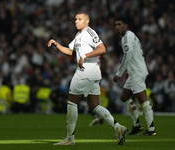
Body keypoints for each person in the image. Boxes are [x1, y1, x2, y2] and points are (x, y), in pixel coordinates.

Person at [48, 11, 128, 146]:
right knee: (94, 106)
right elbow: (69, 51)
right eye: (75, 19)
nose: (76, 21)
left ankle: (69, 138)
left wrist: (84, 56)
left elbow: (102, 49)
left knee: (72, 102)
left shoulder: (90, 33)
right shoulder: (78, 35)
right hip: (92, 73)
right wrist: (56, 44)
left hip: (85, 72)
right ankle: (118, 127)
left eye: (79, 19)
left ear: (87, 21)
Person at [113, 16, 156, 136]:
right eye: (116, 25)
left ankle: (151, 129)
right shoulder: (130, 36)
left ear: (126, 25)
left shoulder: (127, 37)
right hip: (134, 71)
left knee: (143, 100)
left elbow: (128, 54)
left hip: (137, 72)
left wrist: (119, 73)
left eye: (120, 24)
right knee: (124, 96)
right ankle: (137, 125)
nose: (117, 27)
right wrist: (128, 69)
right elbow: (132, 55)